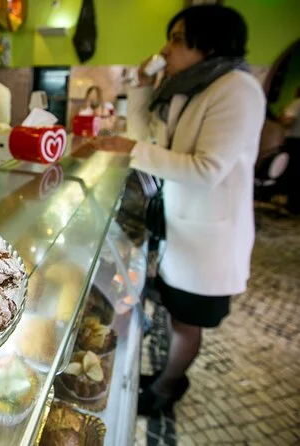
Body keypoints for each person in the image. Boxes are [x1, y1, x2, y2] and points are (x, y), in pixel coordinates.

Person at [82, 5, 265, 415]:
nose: (166, 48)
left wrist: (132, 149)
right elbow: (146, 140)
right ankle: (167, 376)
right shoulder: (189, 88)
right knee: (176, 312)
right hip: (179, 229)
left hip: (209, 240)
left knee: (186, 322)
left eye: (178, 39)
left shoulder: (237, 89)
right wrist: (142, 88)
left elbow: (205, 170)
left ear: (210, 45)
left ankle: (167, 388)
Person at [279, 87, 300, 212]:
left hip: (295, 142)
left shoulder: (297, 103)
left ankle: (289, 203)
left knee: (291, 172)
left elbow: (287, 121)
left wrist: (281, 116)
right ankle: (295, 205)